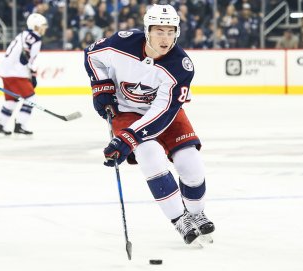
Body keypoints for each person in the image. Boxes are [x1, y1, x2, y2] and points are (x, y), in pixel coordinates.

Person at [83, 4, 215, 245]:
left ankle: (196, 213)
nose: (165, 38)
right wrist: (100, 88)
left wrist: (128, 138)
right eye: (159, 31)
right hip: (127, 111)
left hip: (166, 113)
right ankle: (179, 219)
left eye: (170, 31)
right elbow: (91, 55)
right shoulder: (121, 43)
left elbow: (162, 111)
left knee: (191, 164)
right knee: (150, 155)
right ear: (147, 30)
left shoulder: (181, 66)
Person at [0, 13, 48, 137]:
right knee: (31, 99)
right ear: (36, 26)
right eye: (43, 25)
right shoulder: (35, 38)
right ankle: (20, 126)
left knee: (11, 100)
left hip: (5, 71)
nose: (45, 28)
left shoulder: (23, 34)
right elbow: (28, 59)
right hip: (16, 73)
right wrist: (33, 75)